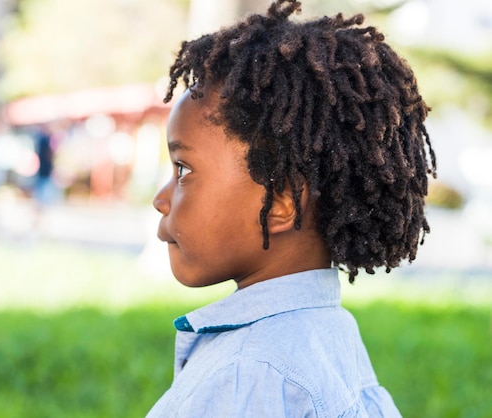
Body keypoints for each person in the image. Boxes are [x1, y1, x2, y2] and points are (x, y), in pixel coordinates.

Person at [147, 1, 437, 417]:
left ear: (280, 202)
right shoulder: (329, 338)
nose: (161, 198)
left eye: (183, 169)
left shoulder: (250, 375)